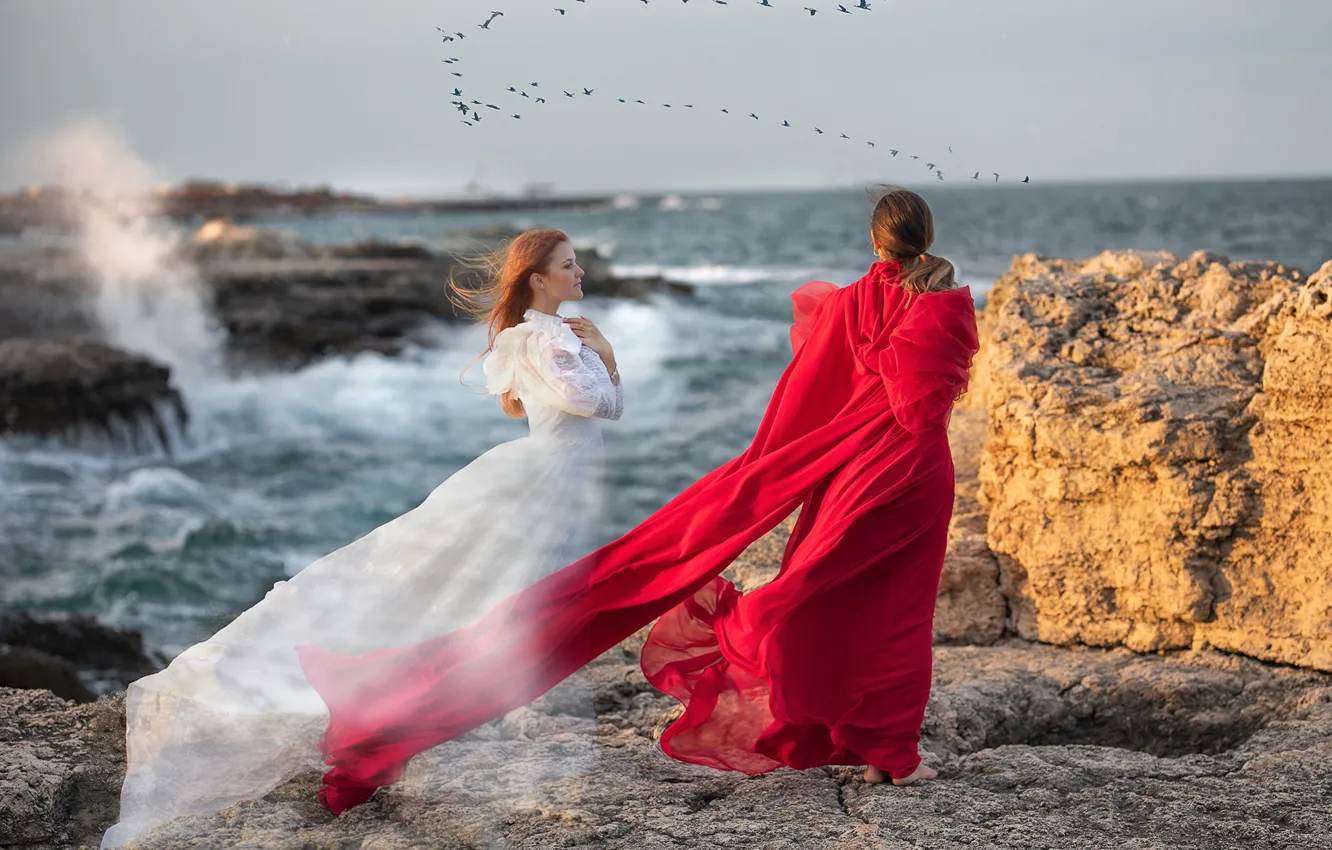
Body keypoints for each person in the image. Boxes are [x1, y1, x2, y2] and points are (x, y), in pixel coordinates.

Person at [297, 187, 979, 811]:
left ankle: (872, 741)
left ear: (874, 242)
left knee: (856, 602)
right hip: (908, 473)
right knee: (895, 611)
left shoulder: (853, 302)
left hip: (849, 473)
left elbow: (814, 374)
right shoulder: (940, 302)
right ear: (925, 235)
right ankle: (883, 747)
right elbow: (921, 408)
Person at [102, 229, 623, 847]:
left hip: (551, 482)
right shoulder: (539, 336)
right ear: (537, 278)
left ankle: (438, 701)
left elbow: (609, 405)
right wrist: (606, 353)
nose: (580, 271)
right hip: (536, 478)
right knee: (474, 590)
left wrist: (601, 355)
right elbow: (594, 402)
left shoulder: (560, 334)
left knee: (509, 597)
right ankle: (384, 695)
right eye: (568, 265)